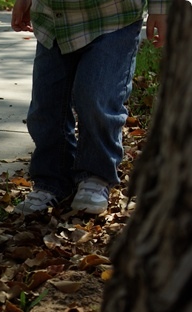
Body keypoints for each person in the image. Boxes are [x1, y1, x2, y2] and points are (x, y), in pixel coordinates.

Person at [11, 0, 169, 215]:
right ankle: (52, 181)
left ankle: (96, 175)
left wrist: (162, 8)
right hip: (53, 21)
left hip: (112, 18)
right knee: (46, 107)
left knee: (96, 98)